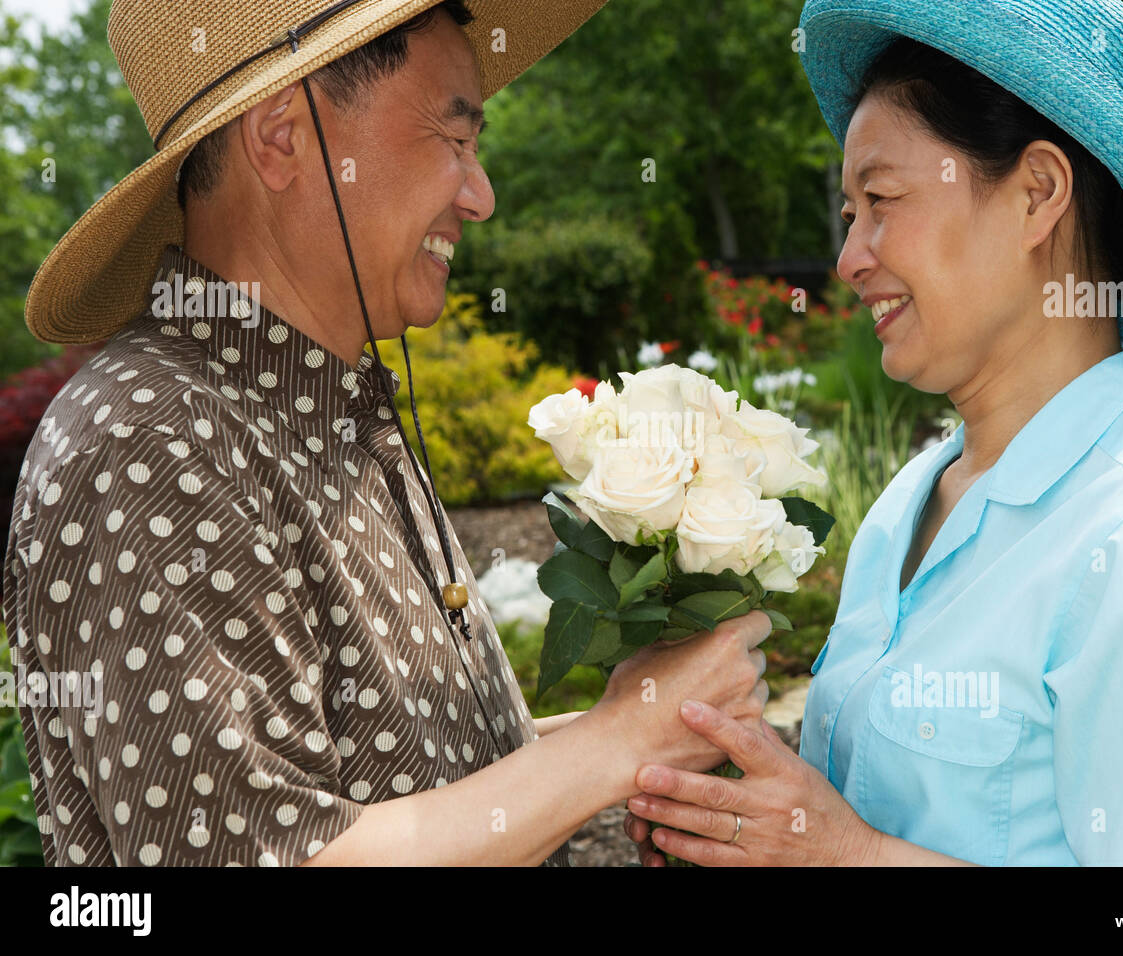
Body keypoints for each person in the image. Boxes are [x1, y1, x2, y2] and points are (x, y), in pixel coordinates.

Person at [3, 0, 774, 867]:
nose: (479, 197)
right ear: (283, 136)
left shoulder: (325, 403)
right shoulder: (152, 442)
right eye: (452, 139)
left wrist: (650, 733)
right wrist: (619, 743)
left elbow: (410, 770)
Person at [625, 0, 1123, 865]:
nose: (849, 258)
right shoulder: (913, 501)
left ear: (1036, 196)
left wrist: (846, 857)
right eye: (848, 213)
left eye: (881, 199)